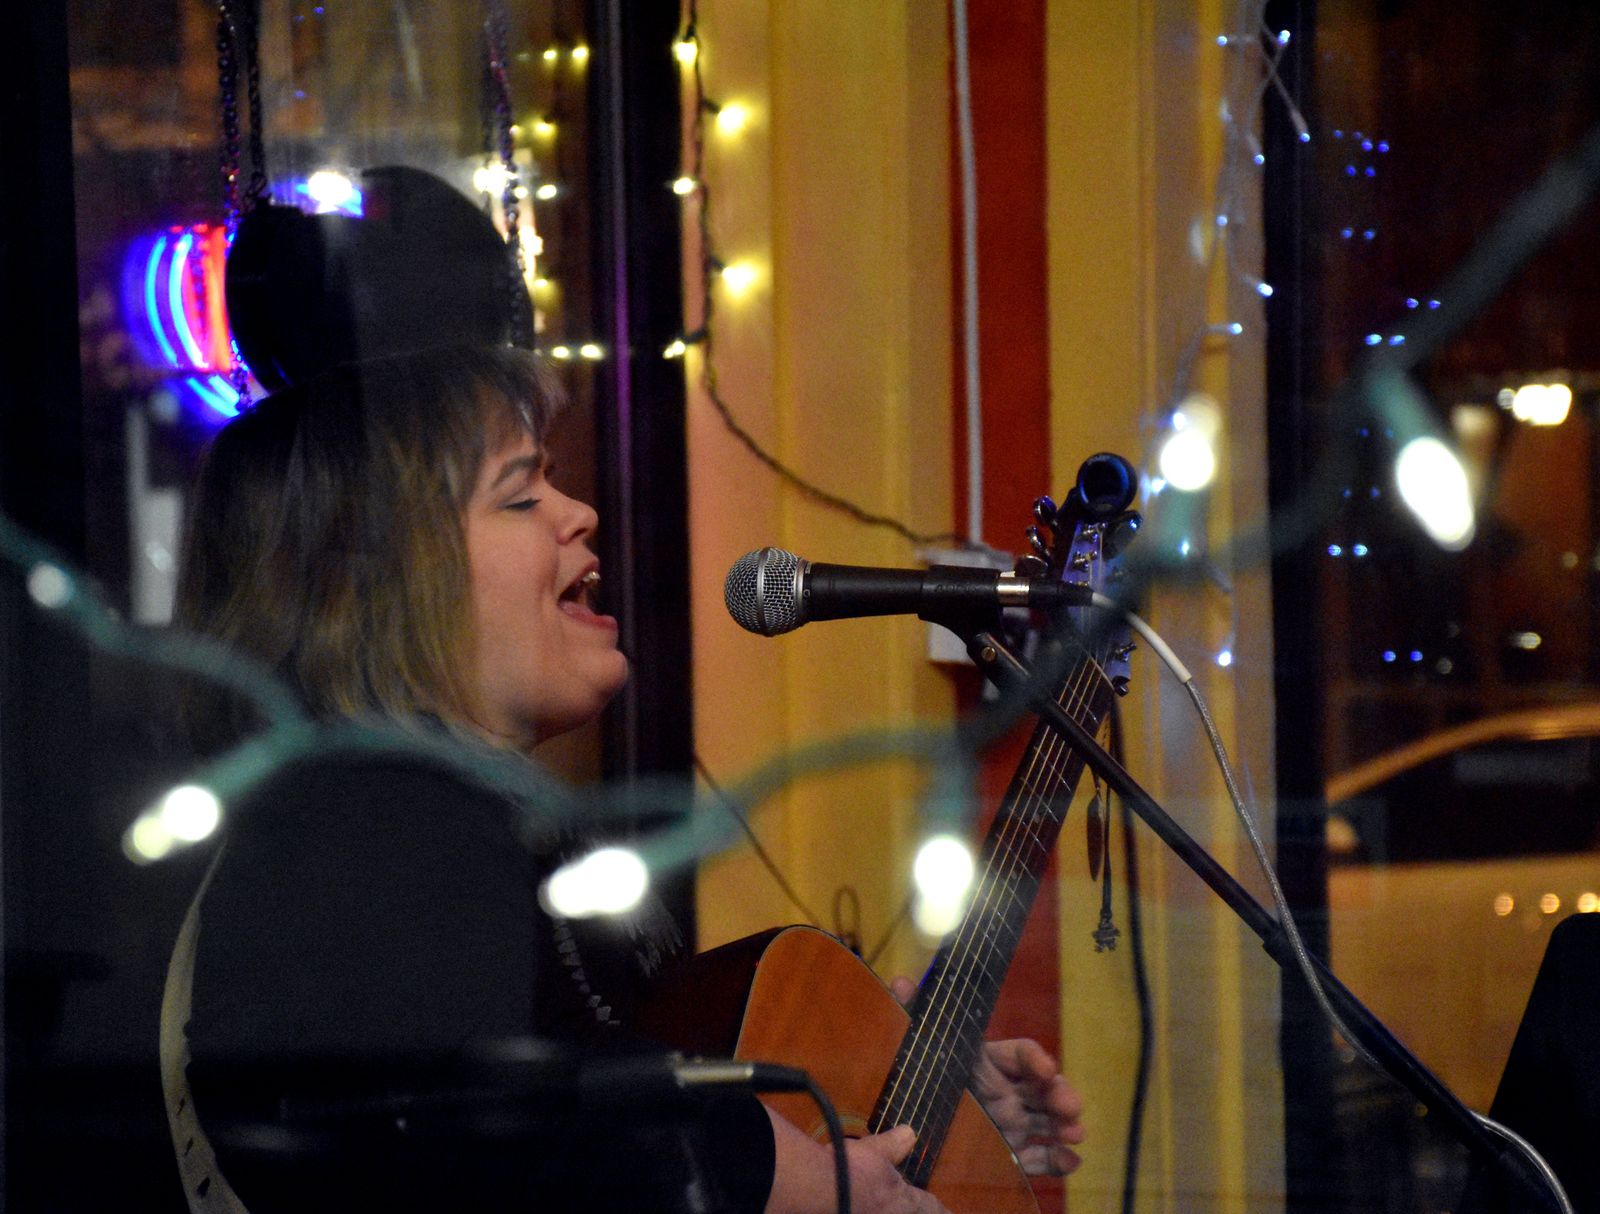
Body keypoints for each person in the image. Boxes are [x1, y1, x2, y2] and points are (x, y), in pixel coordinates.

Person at [161, 343, 1084, 1213]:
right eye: (520, 497)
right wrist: (769, 1164)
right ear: (372, 586)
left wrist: (887, 1087)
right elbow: (466, 1126)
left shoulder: (466, 842)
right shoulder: (359, 824)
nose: (579, 513)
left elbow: (598, 1096)